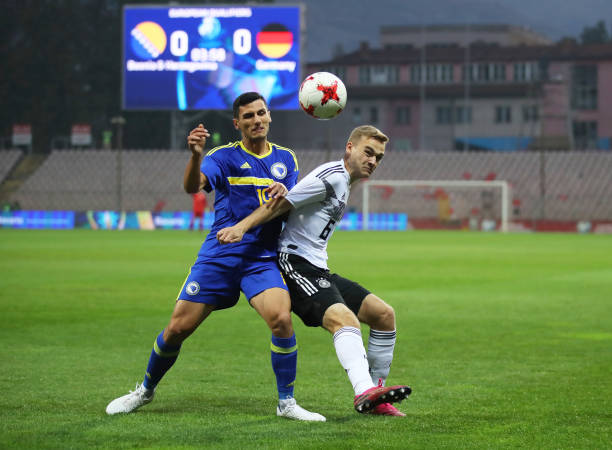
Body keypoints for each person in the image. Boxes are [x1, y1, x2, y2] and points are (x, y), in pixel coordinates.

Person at [106, 92, 325, 422]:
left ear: (269, 117)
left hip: (261, 258)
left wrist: (284, 194)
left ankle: (287, 403)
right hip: (219, 256)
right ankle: (145, 390)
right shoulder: (222, 157)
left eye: (261, 113)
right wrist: (195, 156)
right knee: (178, 328)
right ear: (237, 124)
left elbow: (287, 204)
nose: (256, 120)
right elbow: (193, 187)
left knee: (281, 319)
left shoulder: (287, 159)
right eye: (248, 116)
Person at [217, 125, 411, 416]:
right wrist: (241, 227)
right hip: (294, 264)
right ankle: (364, 391)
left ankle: (375, 395)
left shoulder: (345, 182)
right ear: (350, 147)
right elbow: (280, 204)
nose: (372, 161)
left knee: (384, 315)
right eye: (368, 152)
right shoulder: (332, 177)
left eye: (378, 157)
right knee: (344, 320)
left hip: (318, 268)